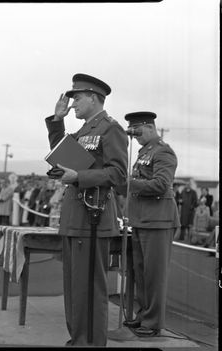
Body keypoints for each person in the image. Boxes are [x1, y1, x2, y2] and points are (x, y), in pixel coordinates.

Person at [44, 73, 128, 346]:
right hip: (76, 217)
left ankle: (89, 343)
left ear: (94, 97)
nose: (73, 103)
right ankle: (78, 340)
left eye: (77, 97)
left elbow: (118, 174)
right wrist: (58, 121)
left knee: (89, 289)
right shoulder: (84, 130)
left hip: (93, 216)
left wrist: (78, 177)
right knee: (74, 289)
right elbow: (63, 151)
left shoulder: (110, 128)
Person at [122, 111, 180, 337]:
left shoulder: (163, 151)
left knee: (154, 275)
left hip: (158, 221)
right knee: (142, 273)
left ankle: (154, 322)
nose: (135, 136)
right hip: (141, 220)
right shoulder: (144, 151)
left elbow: (161, 185)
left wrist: (130, 183)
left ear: (149, 127)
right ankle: (144, 315)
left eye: (137, 131)